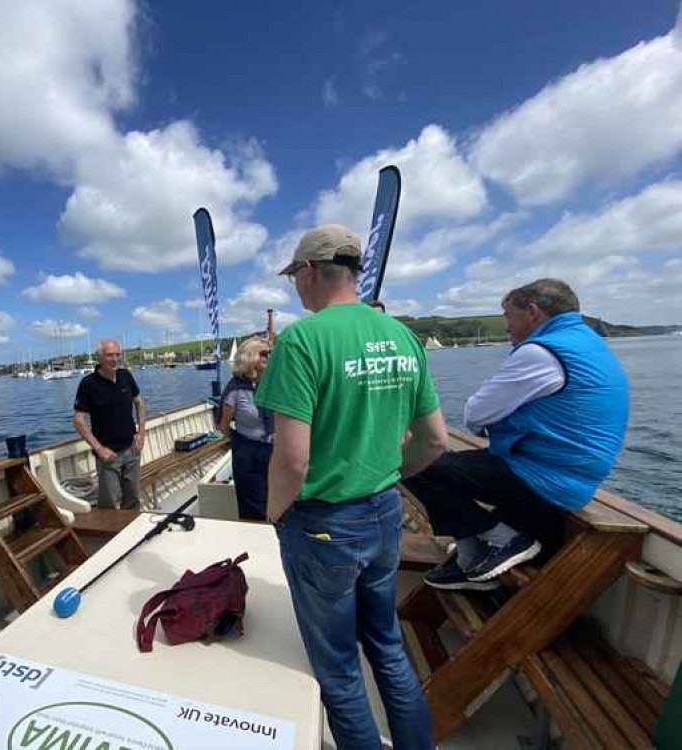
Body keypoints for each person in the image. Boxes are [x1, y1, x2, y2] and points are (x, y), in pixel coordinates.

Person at [256, 224, 449, 750]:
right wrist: (385, 477)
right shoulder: (404, 336)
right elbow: (434, 440)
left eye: (295, 274)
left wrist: (275, 514)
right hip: (385, 512)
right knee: (386, 645)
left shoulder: (302, 340)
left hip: (322, 524)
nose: (295, 286)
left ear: (311, 271)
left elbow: (292, 460)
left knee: (339, 669)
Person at [403, 278, 629, 590]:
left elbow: (475, 414)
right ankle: (472, 552)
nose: (507, 326)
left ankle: (503, 540)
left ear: (533, 312)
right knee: (447, 463)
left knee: (412, 463)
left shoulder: (542, 353)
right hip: (573, 477)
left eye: (509, 315)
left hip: (544, 479)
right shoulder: (587, 344)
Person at [73, 340, 146, 511]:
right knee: (110, 506)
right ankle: (114, 536)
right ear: (99, 358)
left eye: (117, 355)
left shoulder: (125, 376)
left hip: (132, 450)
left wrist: (141, 435)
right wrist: (99, 449)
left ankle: (133, 535)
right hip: (108, 456)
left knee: (134, 500)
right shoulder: (88, 384)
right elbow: (78, 420)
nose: (114, 359)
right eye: (109, 355)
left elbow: (140, 403)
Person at [219, 336, 273, 520]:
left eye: (271, 353)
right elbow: (224, 425)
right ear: (249, 357)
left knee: (281, 501)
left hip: (276, 449)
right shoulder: (235, 388)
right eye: (265, 353)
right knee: (253, 507)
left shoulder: (276, 383)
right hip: (248, 451)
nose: (269, 356)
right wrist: (239, 442)